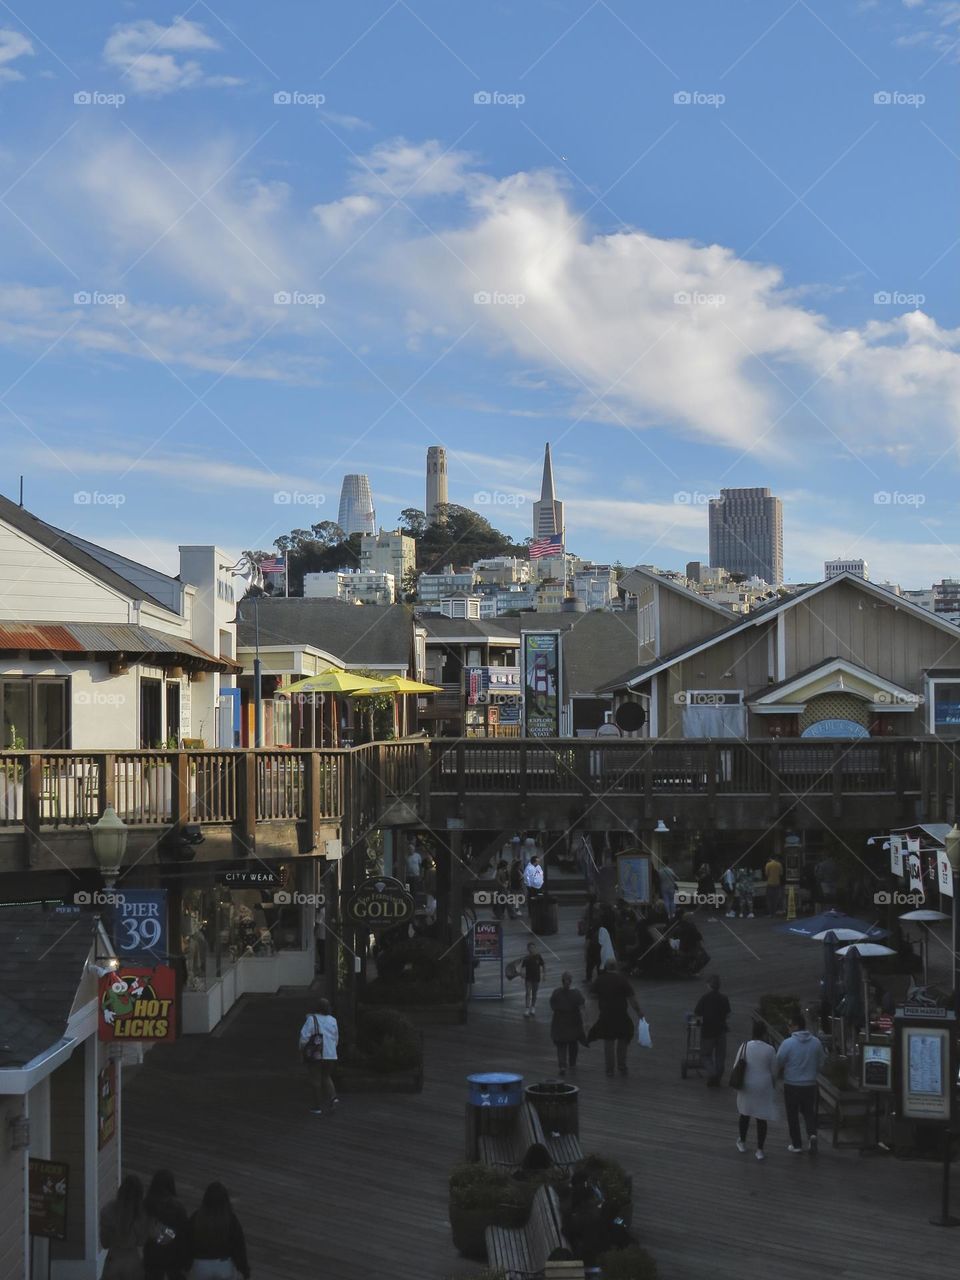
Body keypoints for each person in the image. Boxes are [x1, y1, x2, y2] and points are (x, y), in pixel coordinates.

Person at [776, 1013, 825, 1153]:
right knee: (809, 1112)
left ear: (796, 1026)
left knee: (792, 1114)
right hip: (810, 1084)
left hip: (792, 1084)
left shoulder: (788, 1043)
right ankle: (812, 1135)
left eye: (790, 1025)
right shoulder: (816, 1042)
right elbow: (822, 1062)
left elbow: (778, 1061)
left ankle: (797, 1144)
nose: (788, 1028)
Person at [588, 960, 644, 1076]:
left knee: (609, 1042)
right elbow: (632, 999)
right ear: (616, 967)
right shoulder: (622, 980)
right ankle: (622, 1066)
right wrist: (639, 1012)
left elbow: (592, 995)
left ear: (606, 968)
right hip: (621, 1015)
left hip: (606, 1015)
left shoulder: (600, 979)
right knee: (623, 1039)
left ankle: (609, 1069)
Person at [734, 1020, 779, 1161]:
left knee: (745, 1114)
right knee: (761, 1117)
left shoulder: (745, 1046)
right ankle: (760, 1150)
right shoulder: (770, 1049)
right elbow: (774, 1070)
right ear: (765, 1033)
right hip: (763, 1085)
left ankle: (742, 1141)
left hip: (747, 1083)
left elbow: (736, 1065)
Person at [188, 1183, 250, 1280]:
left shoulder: (197, 1217)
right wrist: (245, 1271)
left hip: (201, 1265)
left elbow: (187, 1242)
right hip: (224, 1266)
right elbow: (239, 1247)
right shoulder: (231, 1219)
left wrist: (185, 1266)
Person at [143, 1170, 190, 1280]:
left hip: (152, 1256)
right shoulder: (178, 1208)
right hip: (172, 1257)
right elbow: (185, 1235)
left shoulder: (146, 1204)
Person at [101, 1175, 149, 1280]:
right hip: (133, 1264)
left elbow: (104, 1243)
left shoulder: (107, 1210)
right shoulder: (142, 1215)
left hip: (113, 1262)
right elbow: (141, 1242)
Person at [298, 997, 339, 1115]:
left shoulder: (311, 1019)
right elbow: (336, 1038)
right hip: (331, 1054)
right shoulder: (333, 1020)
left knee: (315, 1080)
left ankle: (317, 1107)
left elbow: (304, 1038)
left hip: (316, 1054)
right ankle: (333, 1098)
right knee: (326, 1076)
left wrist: (302, 1050)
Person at [695, 974, 731, 1086]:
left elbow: (697, 1012)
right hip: (721, 1031)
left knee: (705, 1055)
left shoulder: (705, 998)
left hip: (708, 1030)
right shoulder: (724, 998)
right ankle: (717, 1079)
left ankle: (712, 1073)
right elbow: (728, 1014)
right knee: (720, 1056)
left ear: (709, 985)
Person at [550, 971, 587, 1075]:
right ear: (571, 981)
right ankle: (572, 1063)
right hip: (573, 1021)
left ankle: (562, 1065)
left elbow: (553, 1006)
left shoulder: (556, 992)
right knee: (573, 1042)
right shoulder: (576, 993)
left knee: (561, 1045)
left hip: (559, 1021)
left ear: (562, 981)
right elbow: (582, 1008)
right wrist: (585, 1022)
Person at [520, 940, 546, 1016]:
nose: (532, 949)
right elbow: (522, 967)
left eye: (533, 947)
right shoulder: (526, 958)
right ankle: (527, 1008)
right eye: (530, 948)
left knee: (534, 993)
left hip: (536, 978)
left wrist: (544, 975)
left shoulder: (538, 956)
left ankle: (533, 1007)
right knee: (528, 993)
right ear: (528, 949)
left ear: (535, 948)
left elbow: (543, 965)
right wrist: (522, 973)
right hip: (528, 978)